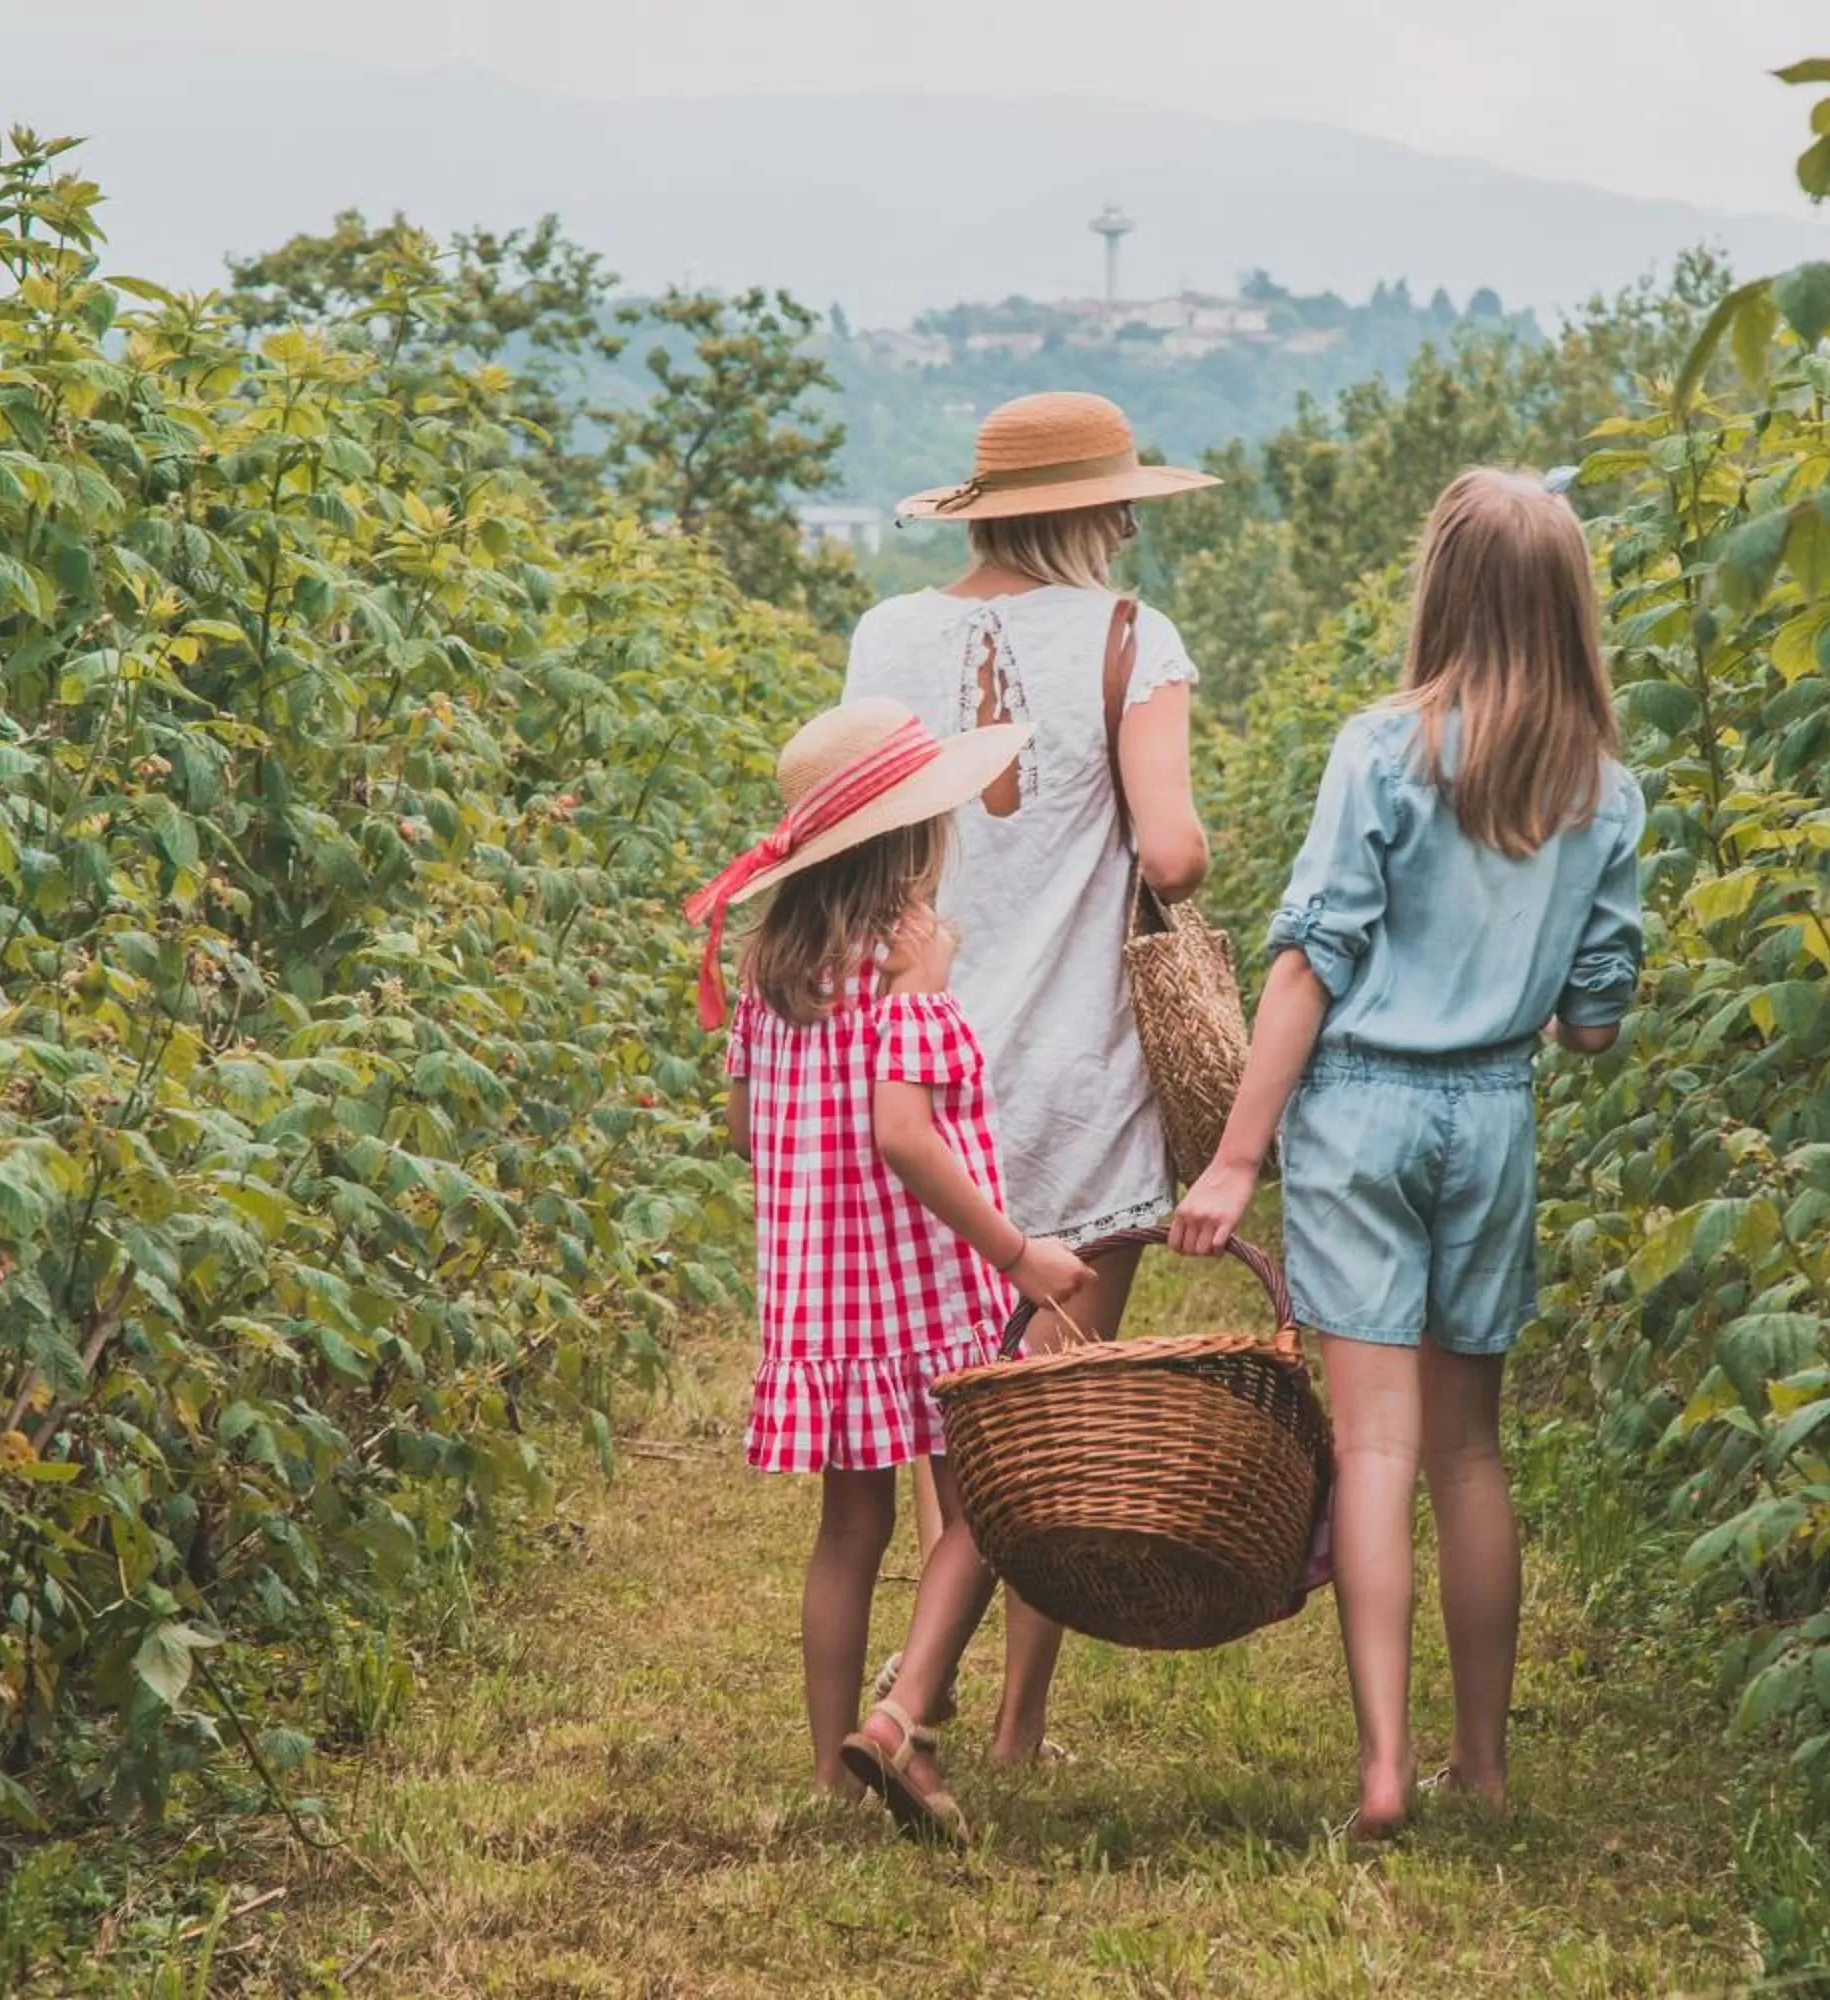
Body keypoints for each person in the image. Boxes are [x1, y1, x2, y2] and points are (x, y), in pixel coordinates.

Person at [1171, 468, 1648, 1838]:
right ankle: (1481, 1766)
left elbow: (1308, 967)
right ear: (1571, 609)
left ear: (1440, 588)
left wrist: (1233, 1159)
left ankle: (1383, 1766)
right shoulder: (1601, 789)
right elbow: (1596, 1021)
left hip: (1365, 1105)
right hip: (1493, 1110)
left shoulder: (1382, 752)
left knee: (1371, 1453)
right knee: (1471, 1455)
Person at [842, 390, 1218, 1767]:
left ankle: (962, 1713)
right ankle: (989, 1718)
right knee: (1050, 1407)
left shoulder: (886, 638)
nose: (1129, 522)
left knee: (960, 1404)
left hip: (918, 1065)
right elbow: (1171, 854)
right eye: (1121, 502)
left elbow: (857, 835)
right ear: (1091, 514)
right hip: (1073, 1072)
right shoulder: (1133, 638)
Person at [686, 696, 1098, 1843]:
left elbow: (743, 1124)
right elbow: (907, 1135)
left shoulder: (776, 972)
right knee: (984, 1513)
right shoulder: (898, 975)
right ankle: (902, 1713)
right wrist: (1021, 1254)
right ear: (912, 841)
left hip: (824, 1307)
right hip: (923, 1293)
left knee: (848, 1529)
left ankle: (830, 1772)